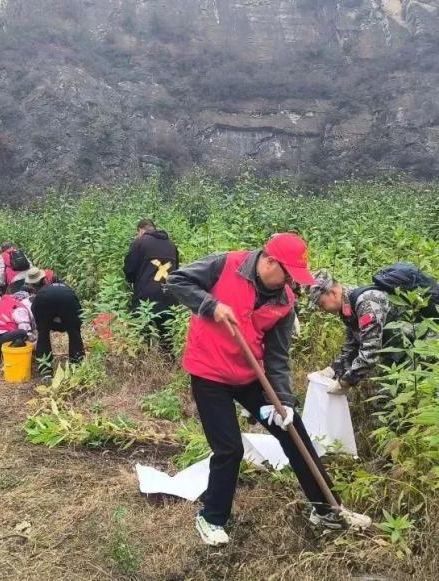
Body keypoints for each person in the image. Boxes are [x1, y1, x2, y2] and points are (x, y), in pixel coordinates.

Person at [165, 233, 371, 546]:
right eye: (287, 274)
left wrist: (284, 402)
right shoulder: (226, 265)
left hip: (250, 375)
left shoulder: (285, 301)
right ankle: (211, 518)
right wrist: (211, 305)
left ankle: (327, 510)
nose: (290, 282)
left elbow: (277, 357)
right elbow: (176, 280)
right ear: (270, 262)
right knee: (229, 448)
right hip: (209, 372)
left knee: (292, 429)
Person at [308, 268, 437, 393]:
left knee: (404, 394)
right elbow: (353, 347)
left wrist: (345, 382)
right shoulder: (348, 308)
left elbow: (371, 350)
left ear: (333, 293)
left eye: (321, 304)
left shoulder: (366, 303)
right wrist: (333, 370)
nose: (322, 310)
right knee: (391, 394)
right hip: (400, 351)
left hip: (421, 347)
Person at [123, 219, 179, 350]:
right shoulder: (172, 245)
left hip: (145, 297)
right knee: (167, 336)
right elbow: (177, 270)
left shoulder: (139, 242)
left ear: (140, 230)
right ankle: (166, 361)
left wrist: (132, 281)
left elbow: (129, 269)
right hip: (169, 294)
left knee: (142, 334)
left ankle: (145, 359)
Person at [25, 267, 84, 378]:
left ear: (32, 286)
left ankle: (45, 371)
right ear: (44, 279)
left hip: (44, 301)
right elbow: (79, 315)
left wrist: (47, 325)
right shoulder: (64, 286)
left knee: (43, 334)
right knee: (74, 332)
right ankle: (77, 365)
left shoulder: (40, 295)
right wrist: (67, 324)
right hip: (69, 299)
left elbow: (36, 316)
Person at [0, 290, 36, 358]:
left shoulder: (12, 304)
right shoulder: (21, 309)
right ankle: (8, 356)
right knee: (22, 333)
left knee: (21, 337)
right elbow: (27, 332)